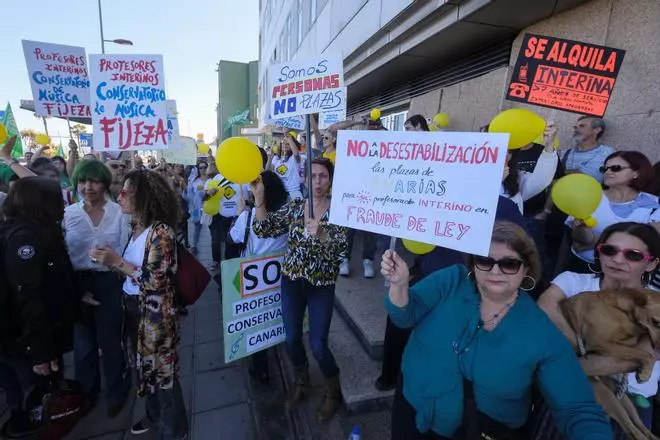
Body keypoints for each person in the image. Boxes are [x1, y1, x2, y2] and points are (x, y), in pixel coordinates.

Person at [382, 221, 612, 439]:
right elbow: (404, 316)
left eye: (509, 264)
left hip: (480, 432)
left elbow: (577, 408)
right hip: (410, 409)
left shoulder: (541, 332)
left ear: (527, 269)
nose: (495, 271)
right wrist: (400, 285)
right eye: (485, 260)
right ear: (473, 263)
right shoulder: (451, 280)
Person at [374, 196, 528, 392]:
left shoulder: (504, 206)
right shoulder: (435, 198)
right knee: (398, 317)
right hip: (432, 275)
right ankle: (390, 375)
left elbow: (525, 250)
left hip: (478, 287)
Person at [90, 169, 188, 439]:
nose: (118, 196)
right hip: (133, 309)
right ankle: (154, 415)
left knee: (164, 373)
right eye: (119, 190)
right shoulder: (136, 227)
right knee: (145, 367)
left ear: (144, 197)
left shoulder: (161, 232)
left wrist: (116, 262)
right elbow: (133, 271)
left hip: (156, 315)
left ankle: (174, 429)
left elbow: (155, 281)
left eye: (126, 192)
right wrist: (108, 261)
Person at [538, 222, 660, 436]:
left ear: (651, 263)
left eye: (633, 255)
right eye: (609, 250)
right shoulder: (573, 281)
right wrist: (583, 351)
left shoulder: (656, 306)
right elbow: (544, 308)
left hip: (630, 403)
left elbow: (625, 361)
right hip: (567, 394)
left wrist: (566, 363)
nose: (617, 259)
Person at [252, 157, 349, 422]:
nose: (318, 182)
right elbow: (263, 229)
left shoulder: (340, 211)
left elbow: (342, 251)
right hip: (292, 281)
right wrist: (259, 197)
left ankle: (333, 391)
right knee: (292, 338)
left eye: (323, 177)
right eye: (313, 176)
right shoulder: (296, 207)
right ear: (305, 178)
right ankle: (302, 380)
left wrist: (322, 234)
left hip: (322, 286)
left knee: (318, 345)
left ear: (330, 181)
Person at [0, 177, 79, 438]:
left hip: (31, 340)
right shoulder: (25, 239)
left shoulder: (34, 231)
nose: (63, 205)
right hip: (27, 344)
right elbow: (27, 297)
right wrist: (40, 352)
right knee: (38, 401)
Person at [64, 159, 131, 417]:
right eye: (82, 181)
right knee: (84, 345)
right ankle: (87, 394)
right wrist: (76, 288)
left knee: (111, 342)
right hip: (79, 282)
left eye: (93, 181)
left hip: (111, 281)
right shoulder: (69, 214)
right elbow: (61, 252)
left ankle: (116, 391)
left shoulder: (119, 212)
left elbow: (127, 249)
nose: (88, 187)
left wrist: (114, 261)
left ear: (105, 183)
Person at [230, 170, 289, 385]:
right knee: (276, 315)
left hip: (252, 279)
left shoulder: (247, 217)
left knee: (256, 320)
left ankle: (261, 368)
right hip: (279, 277)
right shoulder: (287, 216)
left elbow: (234, 237)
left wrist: (239, 215)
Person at [564, 151, 659, 273]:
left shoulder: (654, 205)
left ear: (637, 173)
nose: (608, 172)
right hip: (581, 266)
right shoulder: (589, 196)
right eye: (604, 168)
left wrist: (594, 241)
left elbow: (647, 245)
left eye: (615, 168)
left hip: (623, 273)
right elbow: (576, 237)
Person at [561, 116, 614, 182]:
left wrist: (558, 173)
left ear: (597, 130)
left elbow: (590, 177)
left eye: (582, 126)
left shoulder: (606, 152)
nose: (576, 130)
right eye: (575, 127)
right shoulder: (564, 153)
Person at [270, 133, 303, 200]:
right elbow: (269, 171)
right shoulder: (276, 158)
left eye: (288, 143)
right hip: (280, 193)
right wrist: (269, 157)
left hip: (293, 193)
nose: (285, 144)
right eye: (283, 142)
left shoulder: (294, 158)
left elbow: (296, 153)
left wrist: (289, 138)